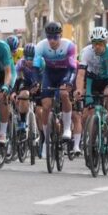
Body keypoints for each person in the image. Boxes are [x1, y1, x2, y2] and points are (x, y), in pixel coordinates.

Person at [34, 21, 78, 153]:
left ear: (60, 36)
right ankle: (47, 140)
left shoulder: (69, 46)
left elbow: (73, 68)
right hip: (50, 74)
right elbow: (36, 67)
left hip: (65, 73)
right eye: (49, 37)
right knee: (46, 106)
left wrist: (69, 83)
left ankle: (66, 129)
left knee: (64, 94)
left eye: (55, 37)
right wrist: (37, 82)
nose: (52, 41)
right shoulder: (41, 46)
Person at [75, 27, 108, 142]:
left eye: (100, 43)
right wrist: (79, 90)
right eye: (94, 43)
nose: (97, 46)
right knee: (86, 113)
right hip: (92, 80)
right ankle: (90, 138)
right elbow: (81, 74)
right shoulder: (86, 52)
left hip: (107, 79)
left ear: (105, 42)